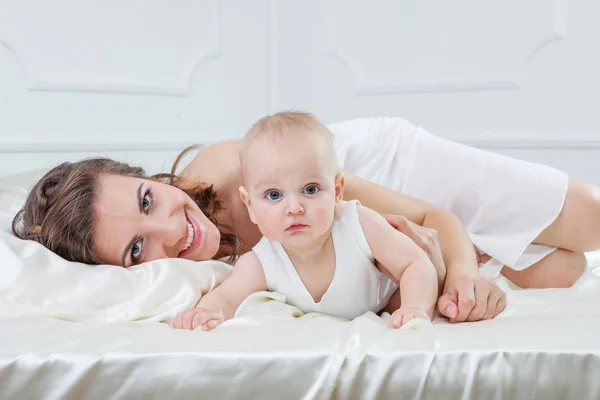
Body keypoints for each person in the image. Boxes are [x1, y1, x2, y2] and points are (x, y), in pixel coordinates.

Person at [11, 113, 600, 323]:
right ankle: (498, 252)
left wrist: (461, 269)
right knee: (562, 271)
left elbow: (429, 214)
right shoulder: (195, 271)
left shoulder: (227, 174)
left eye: (148, 200)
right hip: (376, 245)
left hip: (383, 177)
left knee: (590, 222)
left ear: (148, 176)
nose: (173, 229)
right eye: (138, 250)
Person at [169, 112, 440, 331]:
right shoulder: (263, 260)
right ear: (250, 205)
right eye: (274, 195)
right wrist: (204, 312)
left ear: (336, 192)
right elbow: (227, 296)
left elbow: (415, 264)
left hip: (389, 301)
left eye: (310, 190)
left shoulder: (358, 224)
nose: (295, 208)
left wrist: (415, 307)